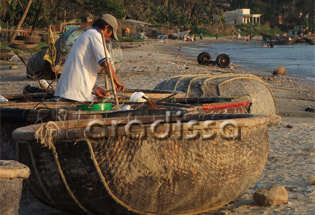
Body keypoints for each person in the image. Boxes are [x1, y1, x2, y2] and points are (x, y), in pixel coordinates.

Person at [54, 14, 125, 102]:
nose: (108, 39)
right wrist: (116, 81)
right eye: (110, 34)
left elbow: (82, 69)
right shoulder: (95, 35)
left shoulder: (88, 35)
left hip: (68, 92)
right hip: (73, 95)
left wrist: (95, 88)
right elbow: (106, 62)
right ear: (106, 28)